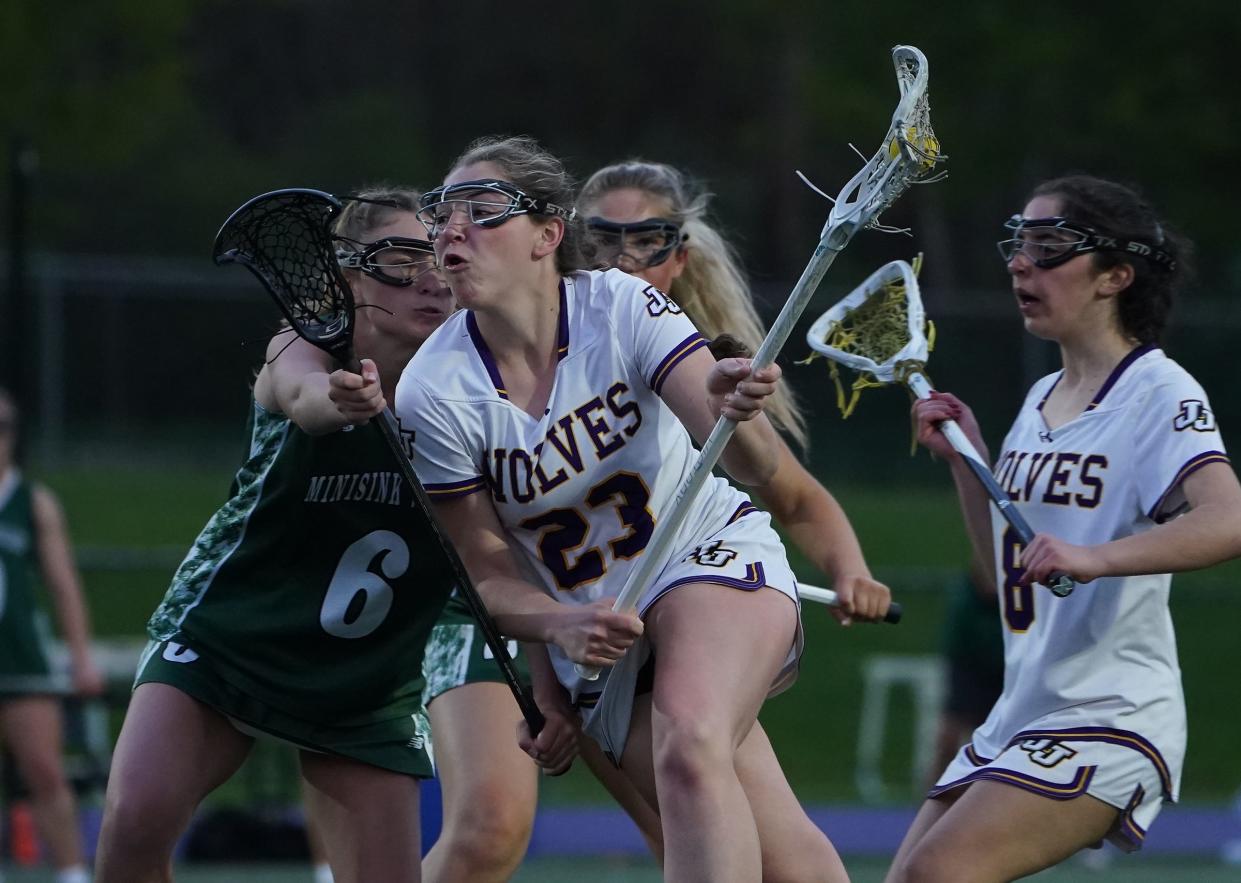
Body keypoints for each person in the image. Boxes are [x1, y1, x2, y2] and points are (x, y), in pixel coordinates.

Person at [397, 135, 890, 883]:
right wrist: (554, 639)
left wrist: (734, 413)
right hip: (600, 628)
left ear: (546, 235)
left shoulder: (620, 305)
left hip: (704, 557)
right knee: (792, 865)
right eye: (442, 214)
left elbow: (750, 465)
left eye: (482, 210)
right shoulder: (431, 392)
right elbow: (490, 573)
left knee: (688, 741)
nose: (451, 230)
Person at [94, 189, 462, 883]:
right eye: (399, 260)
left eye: (438, 258)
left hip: (366, 680)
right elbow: (302, 397)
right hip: (229, 639)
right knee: (133, 826)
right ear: (347, 274)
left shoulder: (478, 385)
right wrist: (342, 400)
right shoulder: (302, 346)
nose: (428, 280)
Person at [886, 175, 1241, 882]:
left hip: (1110, 711)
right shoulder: (1039, 398)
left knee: (938, 873)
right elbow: (999, 577)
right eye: (1018, 245)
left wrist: (1096, 556)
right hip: (1021, 707)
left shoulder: (1157, 391)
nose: (1020, 263)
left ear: (1115, 275)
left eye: (1048, 248)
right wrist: (969, 463)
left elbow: (1227, 518)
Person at [576, 158, 892, 859]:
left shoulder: (698, 362)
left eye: (646, 239)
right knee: (727, 843)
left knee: (691, 773)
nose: (622, 260)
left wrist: (849, 567)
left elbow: (790, 490)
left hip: (692, 590)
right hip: (589, 617)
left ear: (679, 255)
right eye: (602, 239)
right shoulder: (543, 347)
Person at [0, 387, 101, 883]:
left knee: (44, 772)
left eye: (4, 427)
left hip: (20, 659)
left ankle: (72, 874)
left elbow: (63, 586)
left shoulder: (31, 502)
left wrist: (81, 658)